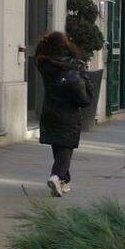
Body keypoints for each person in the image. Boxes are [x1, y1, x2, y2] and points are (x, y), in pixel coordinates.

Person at [34, 31, 91, 197]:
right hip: (68, 113)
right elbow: (84, 97)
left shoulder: (45, 65)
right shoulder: (73, 66)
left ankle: (64, 181)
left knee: (58, 146)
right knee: (66, 147)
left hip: (50, 110)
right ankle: (57, 176)